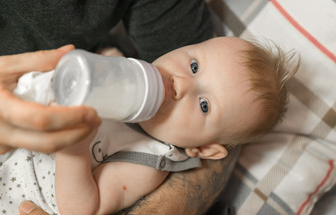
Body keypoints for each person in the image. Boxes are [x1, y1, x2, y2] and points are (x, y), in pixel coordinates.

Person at [1, 37, 299, 214]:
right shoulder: (124, 75)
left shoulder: (148, 162)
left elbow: (84, 209)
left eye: (204, 105)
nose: (181, 84)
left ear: (204, 148)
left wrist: (74, 151)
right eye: (194, 66)